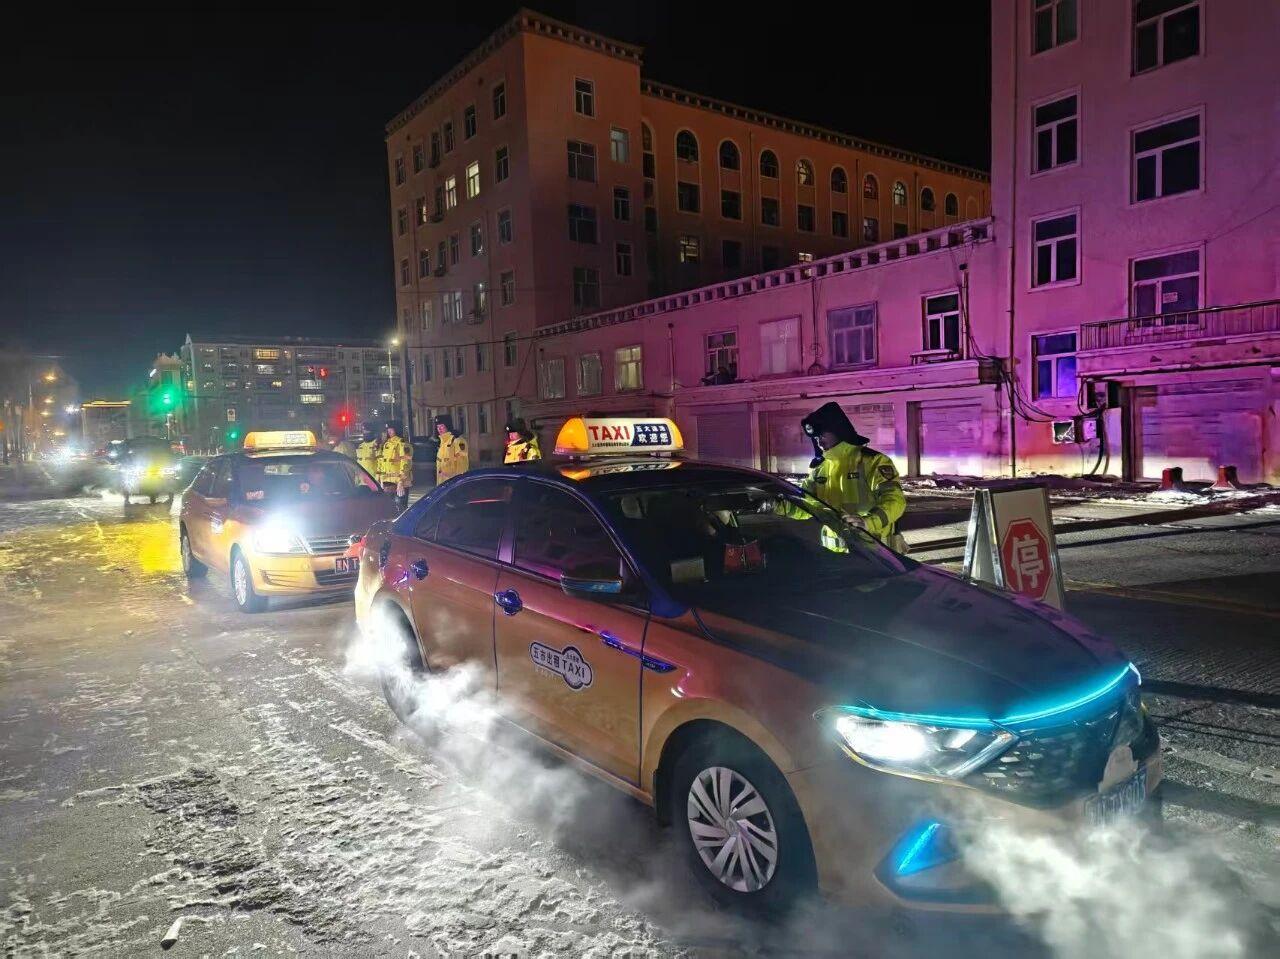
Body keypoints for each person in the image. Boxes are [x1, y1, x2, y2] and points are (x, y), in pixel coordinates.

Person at [785, 401, 906, 550]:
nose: (819, 441)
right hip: (835, 556)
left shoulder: (873, 461)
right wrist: (776, 505)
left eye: (822, 435)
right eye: (815, 438)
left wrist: (868, 522)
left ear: (838, 431)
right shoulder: (819, 469)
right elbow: (805, 504)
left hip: (876, 554)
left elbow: (895, 501)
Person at [377, 422, 413, 511]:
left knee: (401, 510)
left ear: (396, 429)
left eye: (391, 429)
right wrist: (380, 479)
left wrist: (400, 482)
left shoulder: (402, 443)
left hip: (399, 483)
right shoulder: (386, 444)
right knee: (390, 511)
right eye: (388, 429)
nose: (389, 431)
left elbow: (405, 463)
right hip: (387, 483)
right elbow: (381, 463)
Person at [434, 413, 469, 485]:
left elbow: (462, 464)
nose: (439, 429)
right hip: (442, 484)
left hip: (454, 484)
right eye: (438, 427)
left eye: (442, 426)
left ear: (447, 426)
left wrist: (459, 482)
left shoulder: (457, 441)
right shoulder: (442, 444)